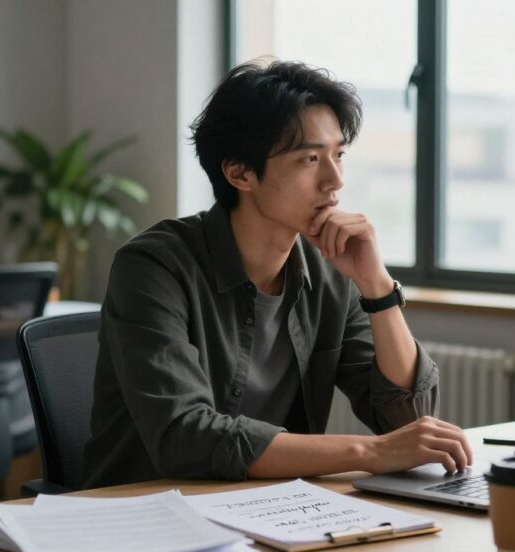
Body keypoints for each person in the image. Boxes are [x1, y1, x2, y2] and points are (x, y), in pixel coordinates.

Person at [82, 60, 473, 488]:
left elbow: (408, 420)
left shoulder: (330, 269)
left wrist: (376, 287)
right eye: (309, 159)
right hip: (144, 513)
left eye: (338, 155)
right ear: (239, 173)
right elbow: (185, 436)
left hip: (272, 509)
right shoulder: (153, 267)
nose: (335, 181)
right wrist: (370, 453)